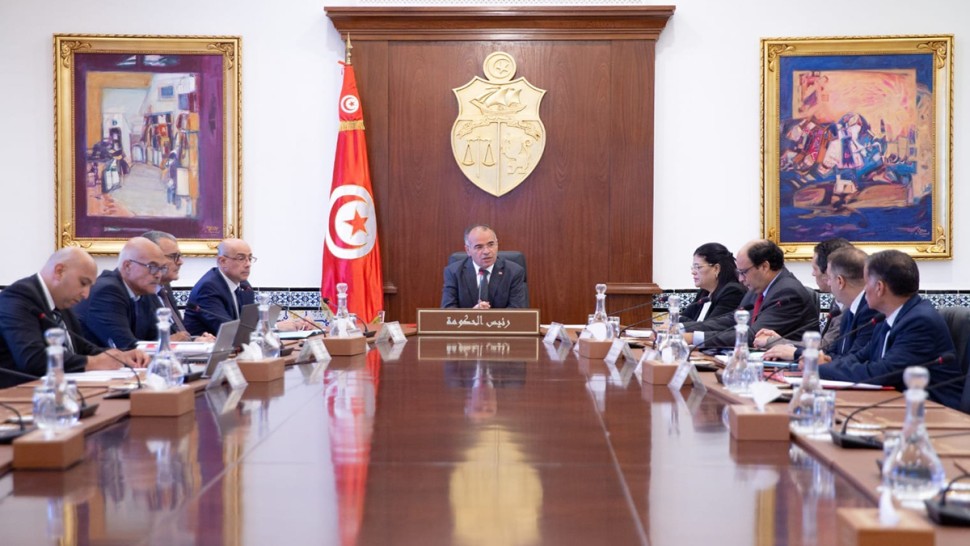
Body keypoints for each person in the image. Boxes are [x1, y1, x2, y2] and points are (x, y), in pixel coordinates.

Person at [818, 250, 963, 409]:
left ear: (879, 287)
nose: (863, 290)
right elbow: (860, 356)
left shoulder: (919, 321)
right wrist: (827, 366)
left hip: (934, 411)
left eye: (866, 283)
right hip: (898, 404)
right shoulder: (887, 317)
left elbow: (883, 373)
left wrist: (822, 369)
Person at [0, 248, 149, 387]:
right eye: (83, 283)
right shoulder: (17, 298)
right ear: (59, 271)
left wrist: (120, 356)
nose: (86, 294)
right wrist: (93, 362)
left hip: (62, 390)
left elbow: (82, 348)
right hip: (19, 394)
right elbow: (33, 359)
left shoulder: (60, 302)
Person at [686, 239, 818, 348]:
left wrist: (694, 338)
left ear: (764, 267)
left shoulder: (788, 292)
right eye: (739, 273)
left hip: (790, 367)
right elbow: (733, 320)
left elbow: (752, 336)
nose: (740, 279)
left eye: (743, 272)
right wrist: (683, 328)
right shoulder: (758, 287)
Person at [764, 246, 877, 362]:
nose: (828, 283)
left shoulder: (869, 312)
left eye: (830, 278)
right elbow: (831, 353)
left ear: (840, 281)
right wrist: (792, 351)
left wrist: (796, 353)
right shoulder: (849, 310)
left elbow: (853, 360)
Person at [183, 238, 302, 336]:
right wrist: (275, 327)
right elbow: (229, 331)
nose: (248, 264)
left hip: (233, 351)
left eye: (249, 258)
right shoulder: (208, 288)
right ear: (222, 261)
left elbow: (249, 326)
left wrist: (291, 324)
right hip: (202, 354)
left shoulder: (245, 287)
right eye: (241, 258)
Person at [755, 237, 852, 354]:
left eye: (815, 269)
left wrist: (774, 342)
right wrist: (779, 340)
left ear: (829, 272)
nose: (813, 274)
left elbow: (824, 348)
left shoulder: (849, 305)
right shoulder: (837, 301)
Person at [75, 237, 169, 350]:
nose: (158, 275)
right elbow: (125, 347)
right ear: (127, 266)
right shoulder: (107, 292)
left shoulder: (144, 292)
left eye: (162, 268)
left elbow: (156, 337)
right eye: (152, 267)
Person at [140, 231, 216, 342]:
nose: (180, 262)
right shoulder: (140, 293)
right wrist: (172, 341)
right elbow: (136, 344)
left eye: (179, 256)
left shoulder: (165, 286)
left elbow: (179, 334)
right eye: (173, 256)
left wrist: (196, 341)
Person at [441, 224, 528, 309]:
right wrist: (472, 315)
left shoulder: (514, 272)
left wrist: (488, 317)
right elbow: (448, 309)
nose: (486, 251)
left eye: (491, 244)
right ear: (468, 250)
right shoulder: (453, 272)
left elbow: (517, 310)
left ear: (497, 244)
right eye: (479, 247)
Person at [679, 243, 744, 328]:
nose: (693, 272)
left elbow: (710, 327)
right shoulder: (704, 292)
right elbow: (684, 316)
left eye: (698, 267)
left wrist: (679, 321)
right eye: (693, 267)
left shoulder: (732, 292)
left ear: (716, 269)